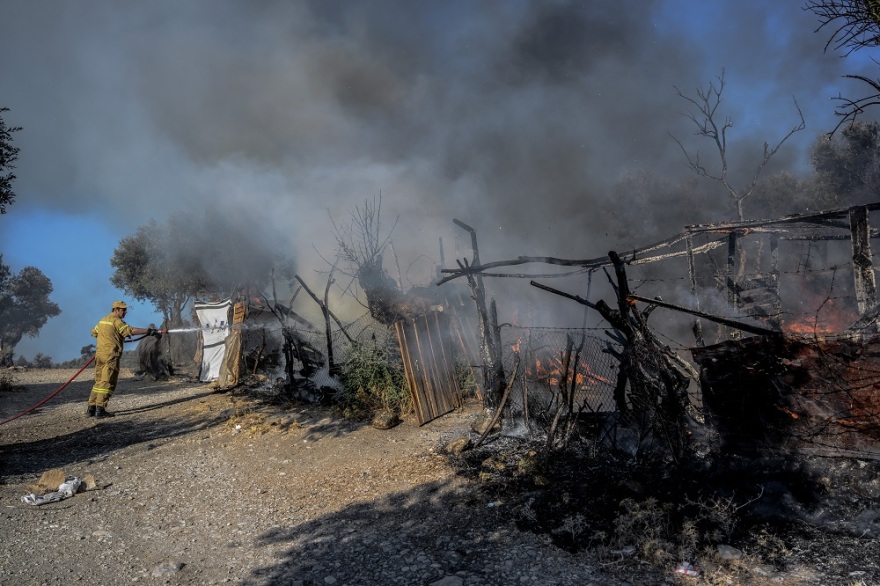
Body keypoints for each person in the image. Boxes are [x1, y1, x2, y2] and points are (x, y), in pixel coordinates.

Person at [87, 300, 161, 418]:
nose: (125, 312)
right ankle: (100, 409)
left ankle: (91, 408)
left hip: (100, 355)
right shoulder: (117, 322)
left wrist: (108, 338)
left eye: (125, 309)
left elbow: (95, 332)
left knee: (99, 381)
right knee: (107, 381)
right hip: (111, 356)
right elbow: (130, 330)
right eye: (123, 310)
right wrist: (149, 331)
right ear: (116, 310)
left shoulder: (102, 320)